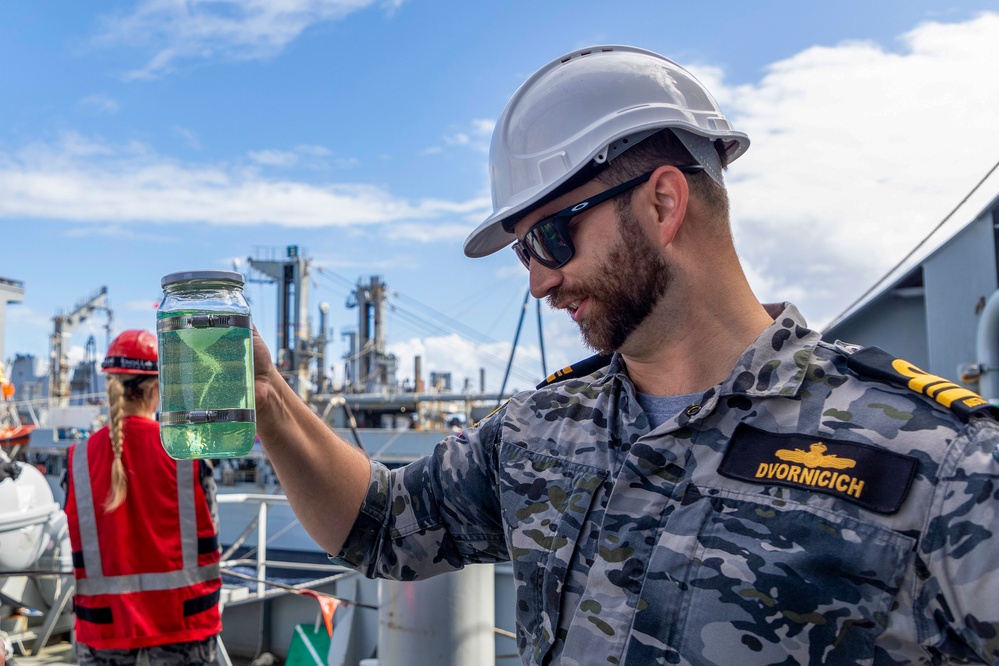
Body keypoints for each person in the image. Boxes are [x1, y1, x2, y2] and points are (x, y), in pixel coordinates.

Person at [250, 45, 999, 664]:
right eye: (521, 256)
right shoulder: (538, 432)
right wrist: (270, 400)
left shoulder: (940, 463)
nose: (539, 281)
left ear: (663, 203)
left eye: (548, 239)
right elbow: (382, 526)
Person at [64, 330, 222, 665]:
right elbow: (210, 534)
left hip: (104, 631)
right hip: (183, 624)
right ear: (156, 390)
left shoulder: (77, 459)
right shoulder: (187, 455)